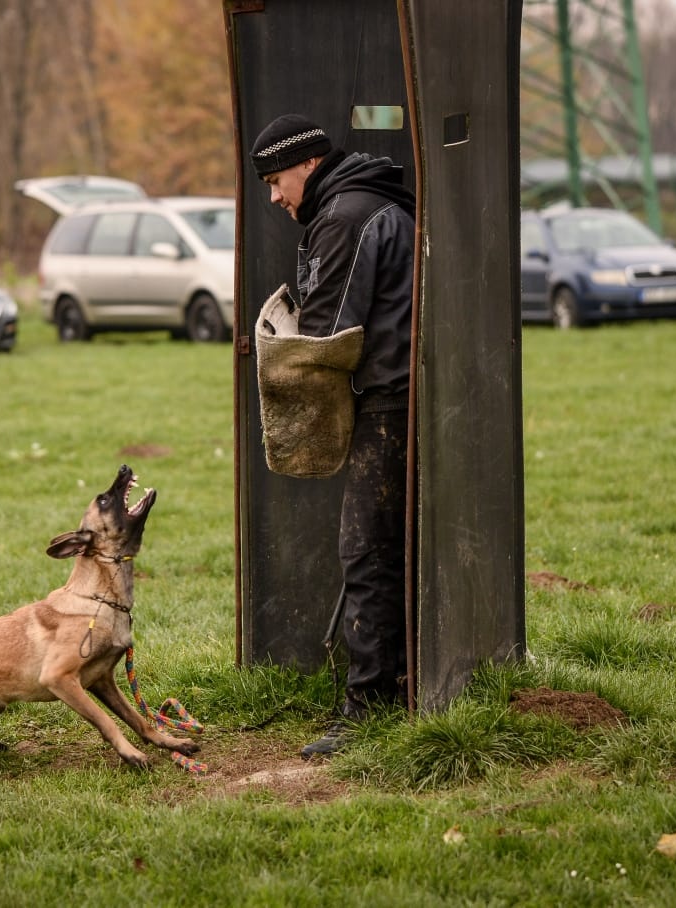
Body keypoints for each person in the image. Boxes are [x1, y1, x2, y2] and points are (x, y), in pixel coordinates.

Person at [250, 114, 417, 757]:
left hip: (389, 399)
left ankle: (368, 706)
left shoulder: (345, 217)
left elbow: (325, 334)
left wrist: (280, 343)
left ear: (309, 164)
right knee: (388, 548)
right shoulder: (374, 201)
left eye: (276, 180)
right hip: (404, 390)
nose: (274, 196)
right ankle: (399, 686)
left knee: (366, 552)